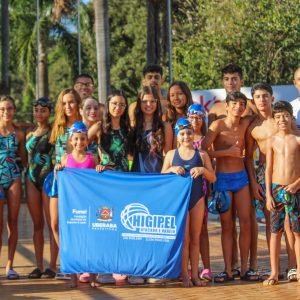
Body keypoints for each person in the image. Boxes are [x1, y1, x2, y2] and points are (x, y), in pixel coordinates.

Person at [202, 91, 258, 283]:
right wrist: (226, 152)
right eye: (234, 104)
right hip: (223, 179)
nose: (238, 107)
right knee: (227, 226)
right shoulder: (218, 125)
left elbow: (261, 113)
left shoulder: (245, 123)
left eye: (242, 104)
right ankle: (227, 270)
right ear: (226, 106)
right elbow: (203, 151)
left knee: (246, 223)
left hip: (241, 178)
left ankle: (244, 269)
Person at [162, 118, 216, 287]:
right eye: (183, 134)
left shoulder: (202, 155)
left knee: (195, 239)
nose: (186, 137)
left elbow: (213, 177)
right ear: (177, 137)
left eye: (189, 133)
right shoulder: (171, 155)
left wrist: (203, 170)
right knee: (184, 240)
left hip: (197, 199)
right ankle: (184, 274)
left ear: (194, 135)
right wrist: (171, 169)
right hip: (180, 202)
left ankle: (195, 276)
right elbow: (161, 175)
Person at [89, 90, 131, 284]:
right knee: (105, 223)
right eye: (114, 104)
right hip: (104, 183)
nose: (118, 108)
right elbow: (77, 147)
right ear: (108, 105)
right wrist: (93, 162)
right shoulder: (99, 127)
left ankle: (121, 266)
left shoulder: (127, 128)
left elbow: (131, 155)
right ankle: (103, 269)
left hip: (123, 181)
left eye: (122, 104)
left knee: (121, 225)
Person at [55, 121, 101, 288]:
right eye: (76, 139)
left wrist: (100, 169)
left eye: (83, 139)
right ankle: (73, 277)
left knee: (91, 240)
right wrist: (58, 168)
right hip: (72, 207)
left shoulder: (93, 158)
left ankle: (94, 276)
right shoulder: (65, 158)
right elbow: (58, 180)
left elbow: (99, 181)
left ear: (87, 141)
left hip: (89, 205)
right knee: (73, 241)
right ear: (70, 140)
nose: (79, 142)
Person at [263, 101, 300, 286]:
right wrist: (268, 194)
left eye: (285, 115)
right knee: (275, 232)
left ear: (291, 117)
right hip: (277, 189)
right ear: (274, 120)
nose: (282, 119)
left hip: (295, 189)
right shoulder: (271, 141)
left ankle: (299, 270)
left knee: (297, 231)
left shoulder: (298, 139)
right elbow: (268, 169)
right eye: (278, 117)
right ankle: (274, 272)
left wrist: (296, 184)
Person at [47, 88, 81, 279]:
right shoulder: (57, 127)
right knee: (54, 224)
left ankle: (74, 266)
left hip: (78, 181)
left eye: (71, 102)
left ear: (77, 103)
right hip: (59, 179)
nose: (68, 106)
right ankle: (68, 260)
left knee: (76, 223)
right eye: (64, 103)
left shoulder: (84, 125)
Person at [26, 97, 57, 279]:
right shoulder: (30, 133)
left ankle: (52, 266)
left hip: (48, 178)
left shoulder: (53, 132)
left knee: (52, 224)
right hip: (31, 179)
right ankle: (38, 265)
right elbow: (24, 157)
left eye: (43, 110)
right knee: (37, 224)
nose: (39, 113)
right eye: (36, 110)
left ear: (49, 112)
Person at [0, 95, 26, 280]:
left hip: (14, 177)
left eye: (9, 108)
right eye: (2, 109)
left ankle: (10, 265)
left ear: (14, 110)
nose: (5, 112)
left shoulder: (19, 134)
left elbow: (23, 158)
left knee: (13, 222)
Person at [187, 104, 212, 281]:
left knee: (202, 229)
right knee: (185, 231)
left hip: (202, 187)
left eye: (199, 117)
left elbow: (211, 157)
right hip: (183, 189)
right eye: (192, 117)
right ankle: (187, 267)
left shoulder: (206, 139)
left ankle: (207, 267)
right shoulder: (182, 137)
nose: (195, 121)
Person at [131, 86, 173, 174]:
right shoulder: (133, 126)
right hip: (136, 177)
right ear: (139, 103)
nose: (149, 104)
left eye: (153, 101)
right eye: (144, 101)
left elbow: (167, 156)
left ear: (157, 103)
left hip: (157, 178)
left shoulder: (165, 126)